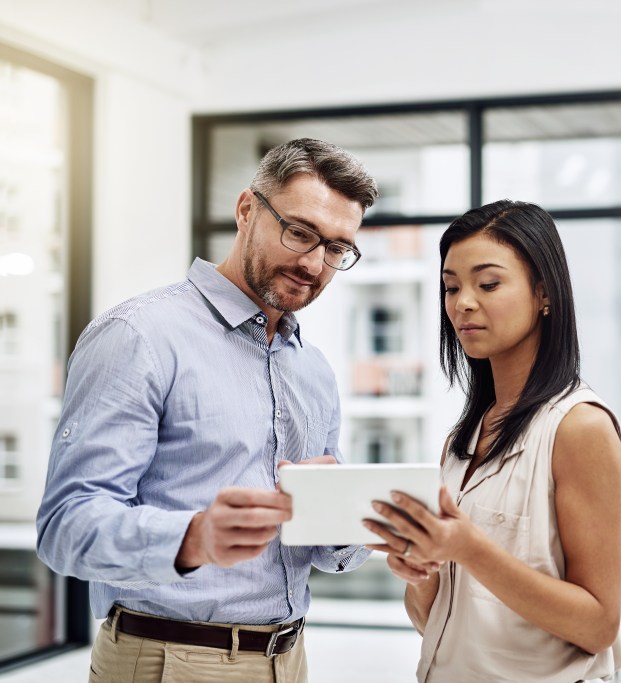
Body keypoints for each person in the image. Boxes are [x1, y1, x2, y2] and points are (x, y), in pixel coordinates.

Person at [36, 138, 379, 683]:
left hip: (289, 660)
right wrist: (193, 538)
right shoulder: (139, 336)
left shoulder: (312, 368)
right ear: (246, 210)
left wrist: (348, 515)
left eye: (337, 248)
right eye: (300, 232)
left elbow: (323, 551)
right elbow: (65, 528)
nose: (315, 263)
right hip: (170, 660)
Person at [362, 200, 621, 682]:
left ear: (543, 293)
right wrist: (422, 574)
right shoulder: (461, 440)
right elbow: (435, 624)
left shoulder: (579, 428)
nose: (463, 302)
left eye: (488, 284)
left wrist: (469, 549)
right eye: (451, 287)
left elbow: (598, 625)